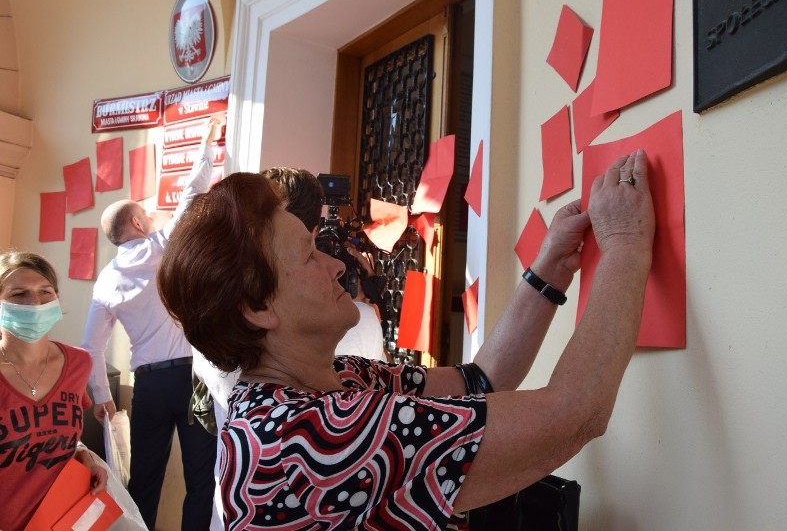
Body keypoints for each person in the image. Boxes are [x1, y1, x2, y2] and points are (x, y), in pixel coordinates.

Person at [158, 149, 654, 529]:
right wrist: (626, 246)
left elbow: (479, 379)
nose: (335, 267)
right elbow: (577, 411)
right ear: (259, 308)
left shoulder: (334, 382)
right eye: (308, 255)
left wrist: (548, 272)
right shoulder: (306, 439)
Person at [80, 118, 222, 531]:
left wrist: (103, 396)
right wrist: (207, 142)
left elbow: (90, 347)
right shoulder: (163, 245)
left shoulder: (106, 280)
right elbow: (194, 192)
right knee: (201, 479)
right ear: (138, 225)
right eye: (146, 215)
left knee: (143, 479)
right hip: (195, 381)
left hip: (149, 389)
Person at [0, 251, 108, 531]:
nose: (34, 302)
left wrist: (84, 459)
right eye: (19, 293)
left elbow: (59, 434)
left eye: (45, 292)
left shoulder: (78, 363)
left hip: (64, 518)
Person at [260, 167, 386, 360]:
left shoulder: (224, 325)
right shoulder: (361, 322)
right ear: (313, 232)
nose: (338, 268)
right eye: (311, 254)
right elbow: (383, 378)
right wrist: (367, 305)